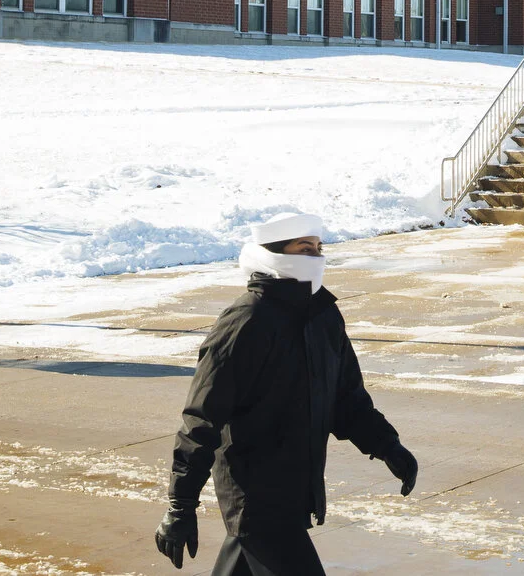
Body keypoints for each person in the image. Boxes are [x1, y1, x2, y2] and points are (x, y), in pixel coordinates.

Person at [155, 212, 418, 574]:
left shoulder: (323, 316)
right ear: (277, 253)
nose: (316, 256)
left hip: (296, 486)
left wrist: (387, 445)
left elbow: (347, 399)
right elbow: (202, 416)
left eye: (318, 248)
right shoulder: (247, 320)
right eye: (305, 248)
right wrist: (180, 505)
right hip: (256, 494)